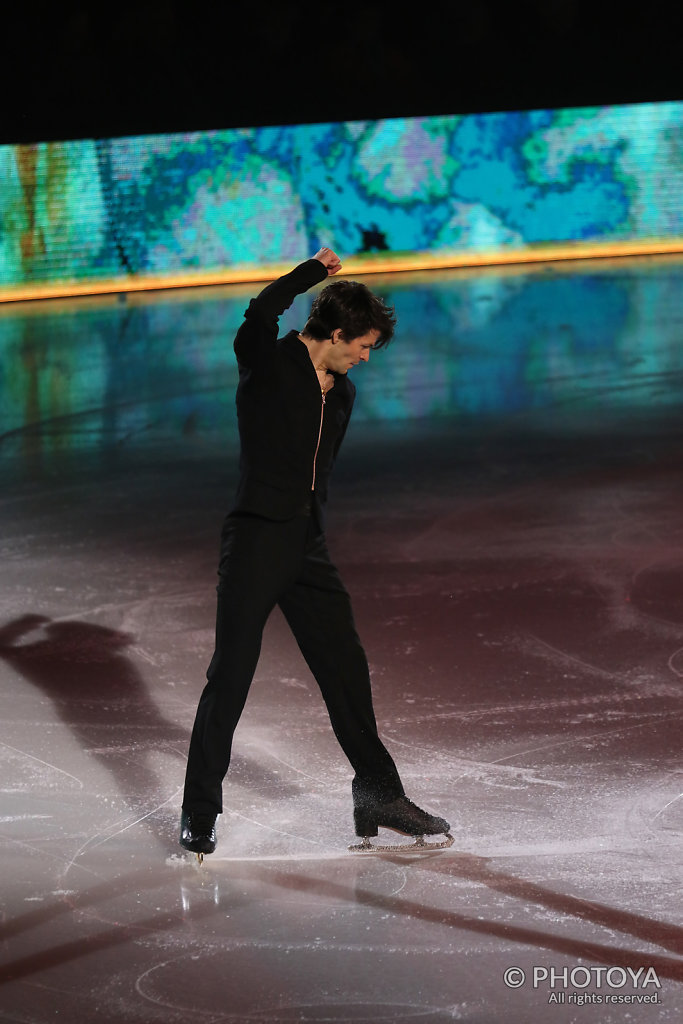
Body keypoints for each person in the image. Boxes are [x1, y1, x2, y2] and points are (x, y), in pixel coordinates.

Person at [180, 247, 451, 856]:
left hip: (307, 545)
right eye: (361, 345)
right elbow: (259, 313)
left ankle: (379, 794)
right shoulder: (267, 365)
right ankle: (199, 812)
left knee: (346, 669)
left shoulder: (344, 395)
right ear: (335, 332)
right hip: (254, 540)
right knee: (231, 677)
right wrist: (310, 274)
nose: (364, 357)